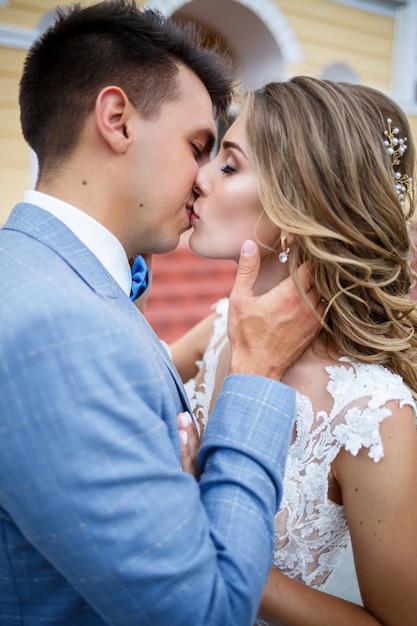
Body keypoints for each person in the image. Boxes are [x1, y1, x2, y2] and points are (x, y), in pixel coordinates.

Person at [0, 3, 323, 624]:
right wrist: (253, 375)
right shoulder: (58, 327)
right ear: (117, 119)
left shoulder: (51, 276)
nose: (204, 180)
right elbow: (207, 613)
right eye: (199, 146)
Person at [170, 76, 417, 625]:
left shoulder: (371, 414)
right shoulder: (218, 328)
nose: (199, 178)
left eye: (229, 165)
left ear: (296, 206)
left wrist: (220, 547)